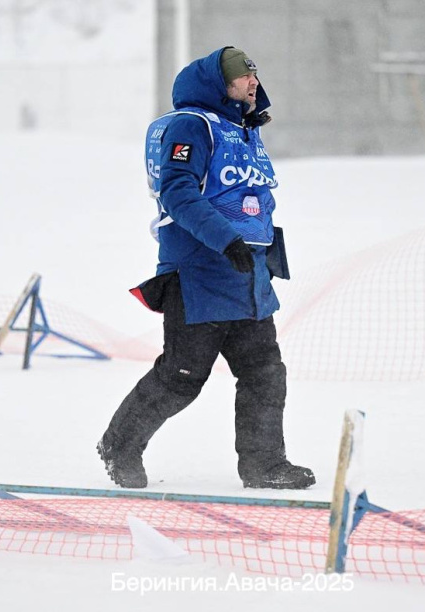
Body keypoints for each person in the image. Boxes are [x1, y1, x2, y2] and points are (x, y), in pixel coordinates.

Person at [97, 47, 314, 490]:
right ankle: (119, 446)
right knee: (182, 377)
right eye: (243, 77)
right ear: (220, 85)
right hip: (200, 273)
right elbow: (177, 192)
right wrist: (225, 239)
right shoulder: (191, 126)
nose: (253, 82)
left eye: (254, 75)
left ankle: (264, 465)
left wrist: (262, 253)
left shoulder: (243, 129)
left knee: (264, 372)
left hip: (248, 274)